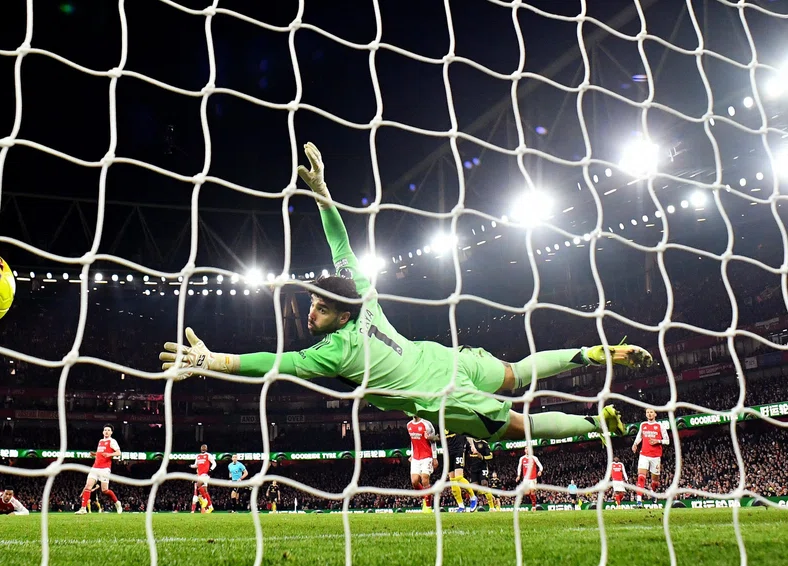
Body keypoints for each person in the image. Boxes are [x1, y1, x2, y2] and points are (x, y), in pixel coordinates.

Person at [159, 143, 652, 444]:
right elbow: (340, 243)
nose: (311, 312)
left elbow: (272, 363)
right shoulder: (363, 294)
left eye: (320, 308)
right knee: (516, 373)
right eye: (313, 302)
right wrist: (324, 196)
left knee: (518, 429)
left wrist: (212, 361)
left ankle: (597, 425)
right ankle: (592, 353)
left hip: (442, 394)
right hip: (441, 358)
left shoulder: (333, 354)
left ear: (341, 315)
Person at [75, 424, 123, 514]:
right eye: (105, 430)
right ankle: (83, 509)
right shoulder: (100, 441)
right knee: (88, 486)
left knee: (104, 490)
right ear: (103, 432)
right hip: (95, 467)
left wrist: (109, 454)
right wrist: (95, 454)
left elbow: (118, 452)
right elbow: (100, 453)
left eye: (109, 430)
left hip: (105, 468)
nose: (107, 431)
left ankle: (117, 503)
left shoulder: (112, 441)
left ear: (111, 432)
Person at [632, 408, 669, 505]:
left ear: (655, 414)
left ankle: (653, 493)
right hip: (644, 454)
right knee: (641, 477)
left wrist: (658, 441)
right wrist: (635, 444)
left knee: (655, 482)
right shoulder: (643, 425)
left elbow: (667, 440)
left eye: (651, 412)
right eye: (648, 412)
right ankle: (639, 500)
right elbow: (639, 436)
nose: (649, 414)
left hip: (656, 456)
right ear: (646, 414)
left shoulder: (660, 425)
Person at [407, 416, 438, 513]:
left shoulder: (427, 424)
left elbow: (433, 442)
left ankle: (428, 507)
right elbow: (412, 442)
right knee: (414, 481)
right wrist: (412, 454)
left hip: (427, 456)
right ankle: (425, 497)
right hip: (416, 457)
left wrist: (435, 457)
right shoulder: (409, 425)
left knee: (425, 479)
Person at [443, 429, 475, 512]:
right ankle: (461, 506)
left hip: (458, 449)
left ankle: (473, 497)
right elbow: (439, 437)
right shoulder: (441, 422)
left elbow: (467, 431)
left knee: (459, 477)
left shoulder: (456, 417)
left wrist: (472, 445)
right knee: (452, 480)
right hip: (447, 451)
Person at [466, 438, 495, 511]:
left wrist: (482, 457)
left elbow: (491, 456)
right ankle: (474, 508)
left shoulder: (484, 443)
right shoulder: (469, 443)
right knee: (474, 489)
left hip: (483, 467)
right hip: (473, 469)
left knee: (484, 484)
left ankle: (491, 507)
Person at [191, 444, 216, 514]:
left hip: (205, 474)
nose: (203, 448)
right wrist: (191, 466)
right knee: (205, 491)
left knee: (198, 484)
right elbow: (196, 465)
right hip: (200, 475)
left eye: (205, 447)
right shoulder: (198, 456)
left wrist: (211, 469)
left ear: (206, 449)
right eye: (202, 447)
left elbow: (214, 463)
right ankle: (210, 506)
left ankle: (205, 501)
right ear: (200, 449)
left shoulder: (208, 455)